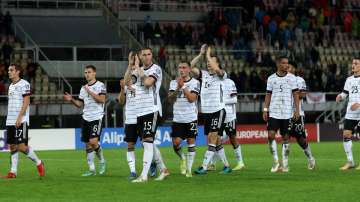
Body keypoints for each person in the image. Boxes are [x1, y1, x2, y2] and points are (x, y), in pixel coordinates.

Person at [191, 44, 232, 174]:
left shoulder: (222, 75)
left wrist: (208, 56)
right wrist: (201, 54)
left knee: (213, 137)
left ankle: (204, 166)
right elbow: (190, 67)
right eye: (208, 62)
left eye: (212, 62)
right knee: (215, 140)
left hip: (218, 110)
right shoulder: (203, 74)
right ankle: (226, 166)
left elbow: (217, 69)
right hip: (207, 112)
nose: (209, 64)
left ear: (217, 64)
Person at [131, 47, 169, 183]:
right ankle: (164, 169)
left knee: (147, 142)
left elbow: (147, 83)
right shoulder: (137, 69)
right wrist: (131, 66)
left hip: (152, 109)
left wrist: (137, 68)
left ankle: (143, 176)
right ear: (140, 57)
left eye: (148, 54)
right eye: (144, 55)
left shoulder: (156, 69)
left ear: (151, 55)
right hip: (140, 110)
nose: (147, 57)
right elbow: (128, 83)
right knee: (147, 143)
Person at [3, 64, 45, 178]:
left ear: (17, 72)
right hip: (10, 120)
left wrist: (19, 118)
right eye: (8, 70)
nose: (9, 72)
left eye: (11, 70)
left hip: (21, 120)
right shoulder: (11, 85)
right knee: (12, 146)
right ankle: (13, 172)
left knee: (21, 147)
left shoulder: (24, 84)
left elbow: (26, 102)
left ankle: (39, 162)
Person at [64, 65, 106, 176]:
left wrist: (90, 91)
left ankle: (102, 161)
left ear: (94, 73)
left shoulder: (100, 85)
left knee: (93, 142)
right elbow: (80, 104)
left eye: (89, 72)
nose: (87, 74)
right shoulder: (83, 88)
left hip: (97, 117)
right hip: (86, 117)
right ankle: (92, 170)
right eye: (85, 72)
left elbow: (102, 100)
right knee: (87, 145)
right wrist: (71, 100)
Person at [262, 56, 300, 173]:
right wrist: (265, 109)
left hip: (287, 113)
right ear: (278, 64)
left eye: (287, 63)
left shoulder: (292, 78)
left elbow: (296, 95)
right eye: (284, 63)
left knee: (286, 138)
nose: (286, 65)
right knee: (271, 135)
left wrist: (297, 110)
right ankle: (276, 163)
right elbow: (268, 94)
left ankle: (285, 164)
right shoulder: (271, 79)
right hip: (274, 112)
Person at [168, 61, 200, 178]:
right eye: (180, 67)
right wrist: (177, 88)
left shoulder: (195, 82)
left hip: (191, 118)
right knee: (176, 143)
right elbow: (170, 99)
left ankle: (189, 170)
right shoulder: (173, 82)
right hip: (178, 118)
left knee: (191, 142)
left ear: (189, 69)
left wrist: (183, 86)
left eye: (184, 67)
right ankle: (182, 158)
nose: (181, 70)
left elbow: (192, 99)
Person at [208, 78, 245, 171]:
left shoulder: (230, 82)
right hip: (218, 115)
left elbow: (235, 99)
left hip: (229, 116)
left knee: (232, 138)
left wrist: (221, 102)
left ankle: (240, 162)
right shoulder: (213, 82)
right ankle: (213, 164)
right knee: (215, 139)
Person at [288, 64, 315, 170]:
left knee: (301, 139)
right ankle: (284, 164)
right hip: (284, 113)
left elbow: (303, 94)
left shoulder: (299, 80)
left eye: (289, 67)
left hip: (298, 113)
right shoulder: (282, 80)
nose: (287, 68)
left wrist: (291, 92)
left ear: (294, 68)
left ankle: (310, 158)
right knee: (285, 137)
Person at [118, 52, 141, 180]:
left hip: (143, 116)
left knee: (146, 143)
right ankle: (133, 172)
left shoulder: (144, 78)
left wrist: (137, 65)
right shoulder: (127, 83)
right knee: (130, 145)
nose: (132, 69)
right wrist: (122, 89)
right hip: (131, 119)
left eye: (134, 68)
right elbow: (121, 102)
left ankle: (153, 163)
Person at [336, 58, 360, 170]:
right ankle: (350, 162)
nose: (353, 65)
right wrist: (340, 97)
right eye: (353, 63)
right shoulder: (349, 80)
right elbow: (345, 93)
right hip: (351, 112)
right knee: (346, 135)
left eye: (356, 63)